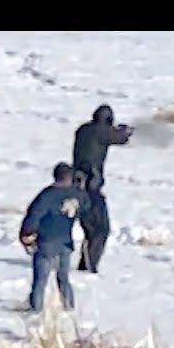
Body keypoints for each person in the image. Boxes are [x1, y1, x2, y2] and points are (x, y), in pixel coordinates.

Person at [19, 163, 91, 312]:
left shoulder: (48, 195)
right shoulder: (76, 195)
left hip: (46, 242)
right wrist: (81, 187)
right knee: (64, 278)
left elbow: (34, 214)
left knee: (40, 280)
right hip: (66, 243)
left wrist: (26, 233)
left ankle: (36, 309)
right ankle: (69, 307)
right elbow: (87, 205)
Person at [72, 105, 133, 273]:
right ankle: (88, 267)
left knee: (91, 228)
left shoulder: (83, 129)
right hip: (91, 186)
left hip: (76, 182)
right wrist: (125, 131)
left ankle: (86, 265)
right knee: (100, 229)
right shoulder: (102, 132)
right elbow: (120, 138)